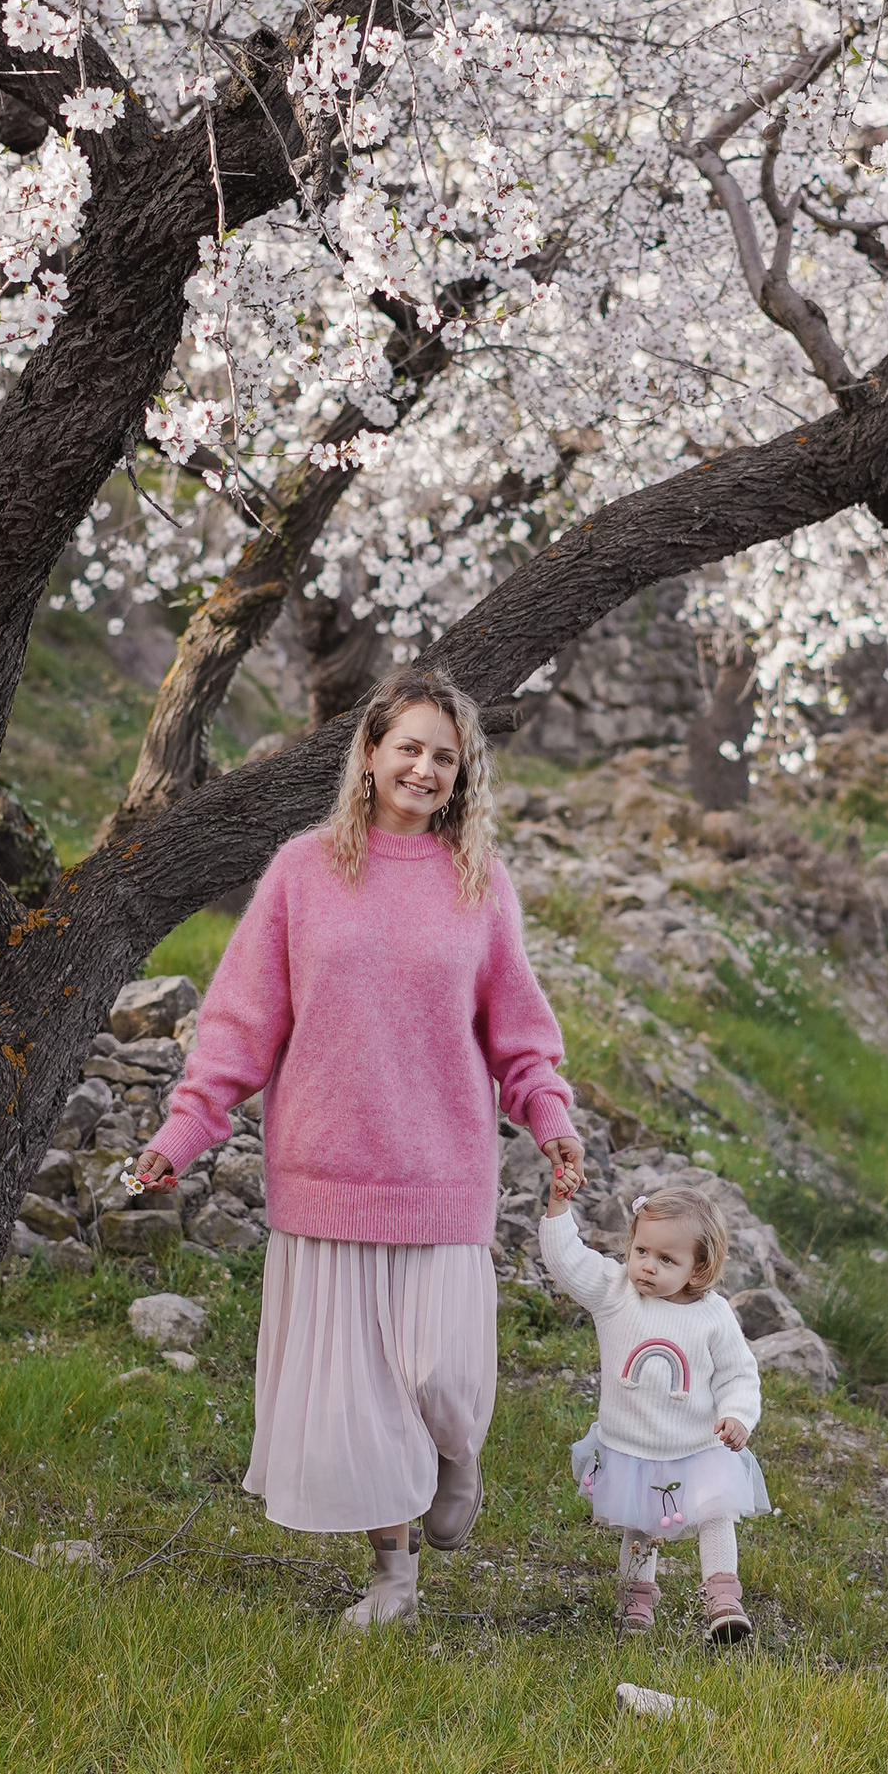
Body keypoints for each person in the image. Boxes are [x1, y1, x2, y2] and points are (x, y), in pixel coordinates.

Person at [132, 665, 582, 1627]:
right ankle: (394, 1578)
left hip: (443, 1174)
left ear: (462, 777)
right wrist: (185, 1129)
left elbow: (519, 1032)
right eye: (408, 748)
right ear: (370, 754)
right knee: (368, 1405)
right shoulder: (304, 871)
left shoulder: (478, 883)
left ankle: (457, 1458)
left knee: (444, 1379)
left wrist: (549, 1116)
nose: (423, 768)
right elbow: (240, 1024)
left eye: (444, 757)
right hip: (328, 1174)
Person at [537, 1174, 767, 1644]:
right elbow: (568, 1261)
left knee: (715, 1511)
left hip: (698, 1444)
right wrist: (558, 1210)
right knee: (641, 1524)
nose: (647, 1266)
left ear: (698, 1270)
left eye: (667, 1259)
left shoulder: (712, 1314)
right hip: (631, 1447)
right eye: (641, 1251)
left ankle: (723, 1597)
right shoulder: (615, 1292)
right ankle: (636, 1601)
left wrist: (739, 1415)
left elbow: (738, 1373)